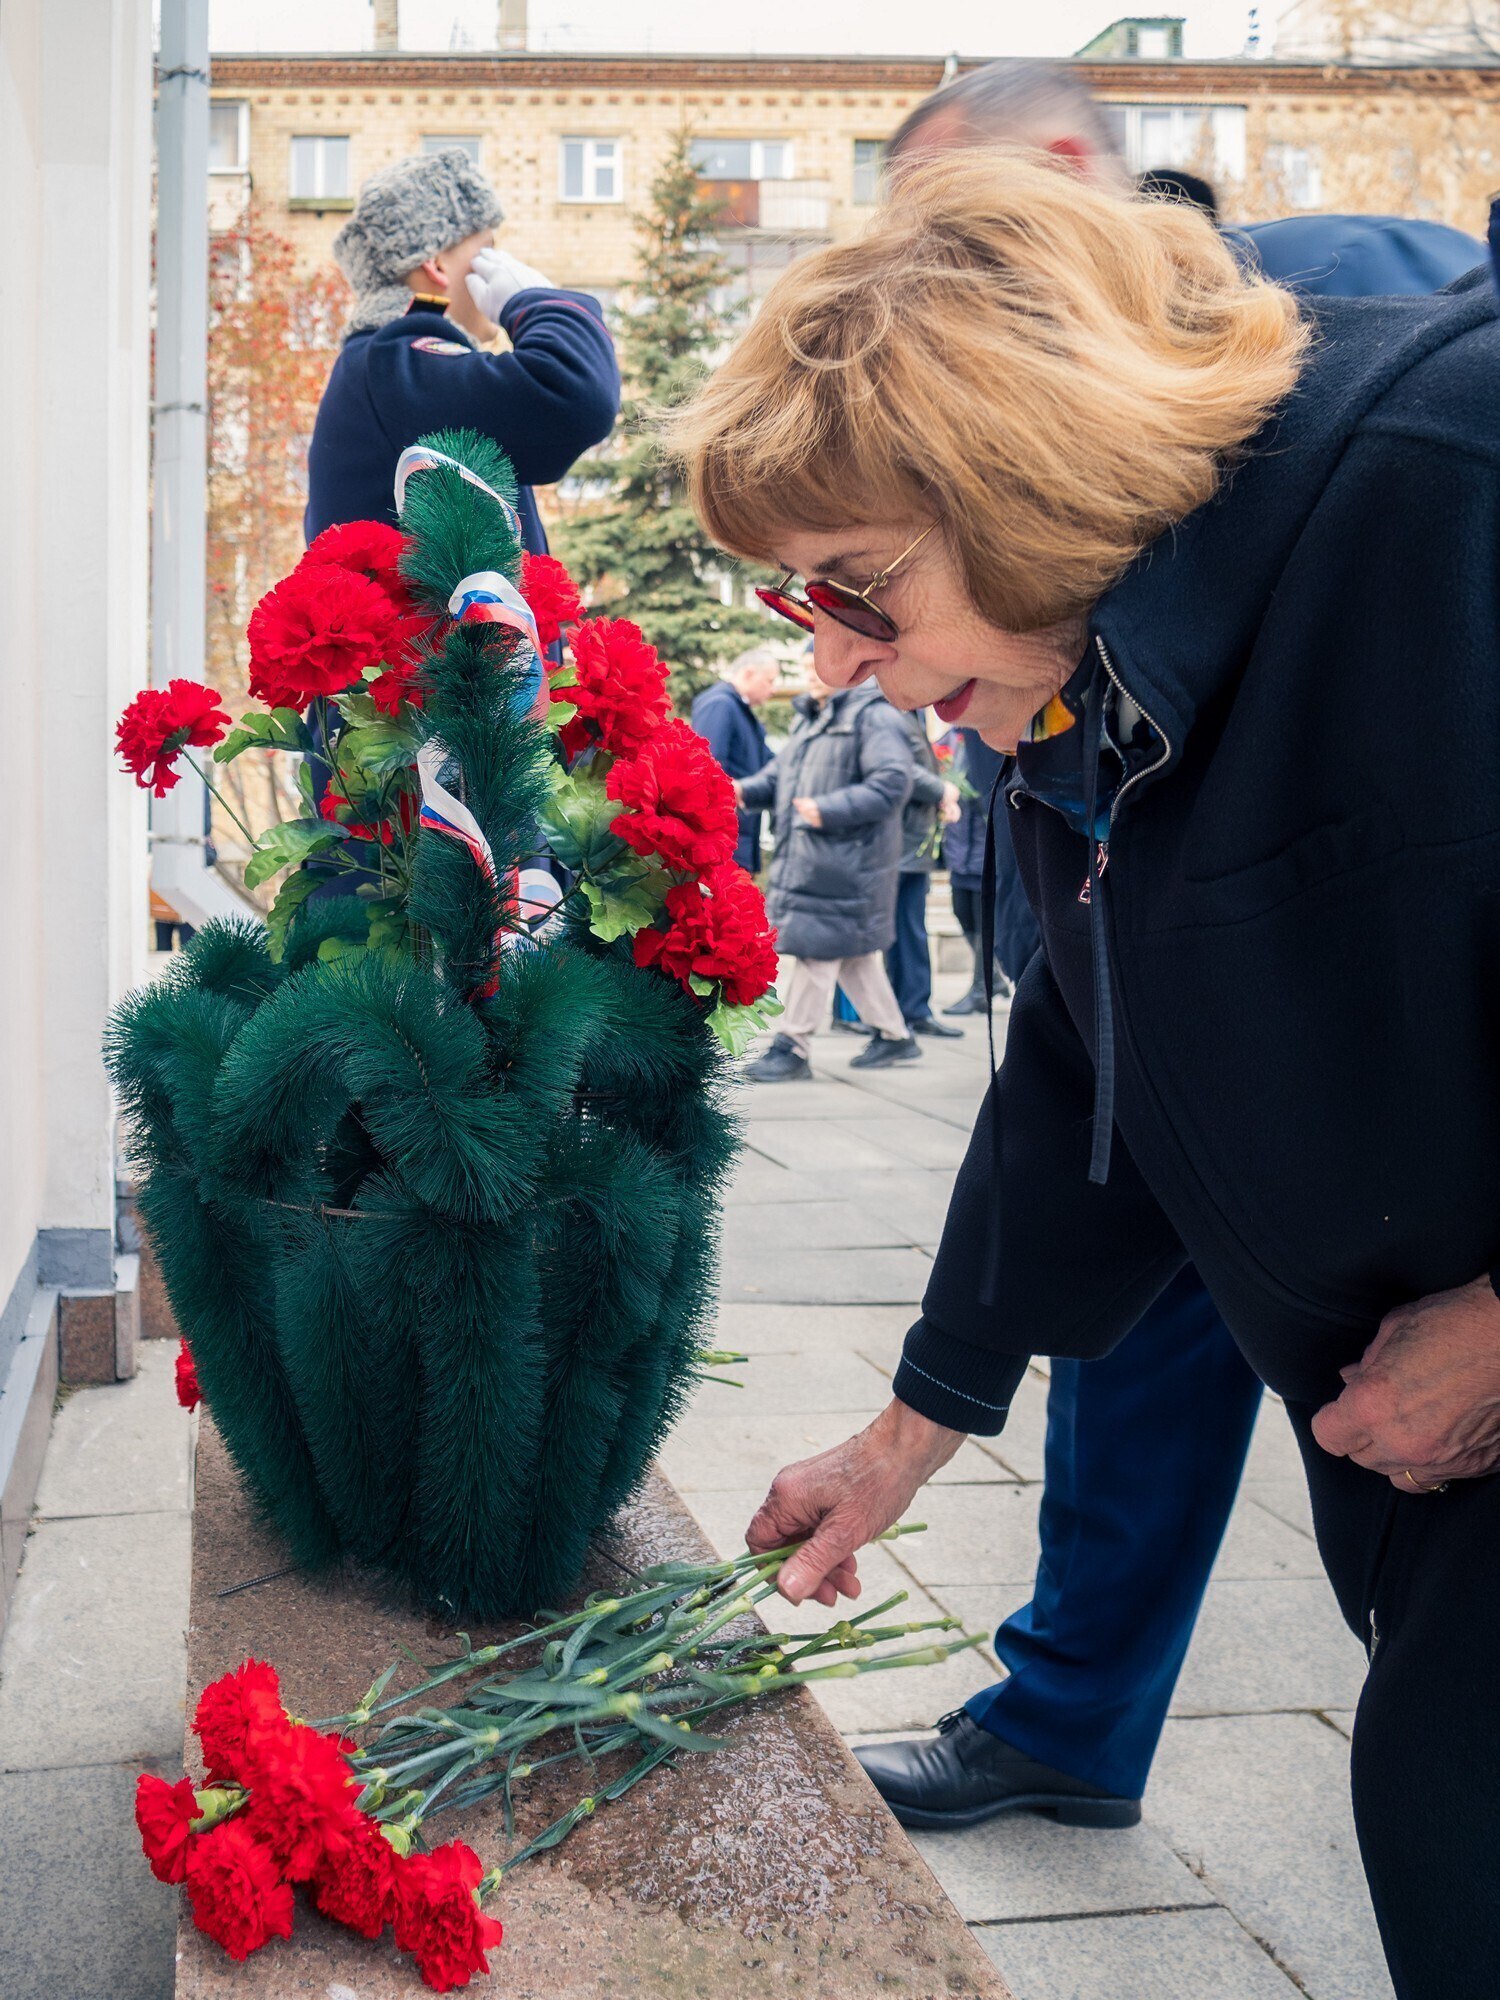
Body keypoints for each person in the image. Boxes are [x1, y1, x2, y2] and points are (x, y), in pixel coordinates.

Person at [669, 147, 1500, 1999]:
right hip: (1411, 1452)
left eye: (862, 595)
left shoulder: (1455, 482)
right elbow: (1091, 1052)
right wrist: (911, 1433)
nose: (842, 674)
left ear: (1029, 477)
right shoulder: (1078, 661)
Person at [306, 147, 620, 556]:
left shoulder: (381, 364)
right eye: (487, 247)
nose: (502, 262)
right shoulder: (394, 362)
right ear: (436, 263)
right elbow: (575, 393)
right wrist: (537, 303)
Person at [738, 660, 920, 1082]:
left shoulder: (875, 715)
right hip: (821, 860)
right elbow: (778, 778)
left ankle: (792, 1044)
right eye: (806, 665)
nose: (812, 672)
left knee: (816, 948)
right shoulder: (814, 719)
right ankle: (895, 1036)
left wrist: (827, 810)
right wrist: (741, 791)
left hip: (850, 862)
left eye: (821, 664)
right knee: (854, 956)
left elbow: (893, 781)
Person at [885, 711, 965, 1038]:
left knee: (908, 931)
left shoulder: (906, 707)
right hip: (899, 842)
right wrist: (940, 791)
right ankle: (906, 1013)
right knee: (904, 932)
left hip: (908, 840)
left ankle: (909, 1011)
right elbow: (897, 766)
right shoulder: (892, 705)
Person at [939, 727, 1022, 1015]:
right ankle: (994, 979)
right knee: (963, 914)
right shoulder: (950, 740)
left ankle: (981, 987)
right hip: (959, 849)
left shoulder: (993, 737)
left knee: (985, 922)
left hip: (985, 849)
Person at [690, 648, 778, 872]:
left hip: (738, 833)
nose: (773, 689)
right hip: (725, 839)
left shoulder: (738, 709)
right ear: (749, 673)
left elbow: (769, 763)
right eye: (769, 681)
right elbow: (709, 767)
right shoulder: (721, 705)